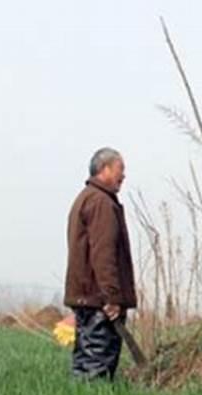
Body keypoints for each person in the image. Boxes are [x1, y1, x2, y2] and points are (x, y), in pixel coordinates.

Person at [64, 147, 136, 381]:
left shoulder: (85, 198)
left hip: (87, 297)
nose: (123, 175)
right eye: (120, 169)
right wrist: (112, 297)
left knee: (84, 363)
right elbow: (103, 254)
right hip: (99, 300)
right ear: (104, 169)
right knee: (98, 365)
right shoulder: (101, 202)